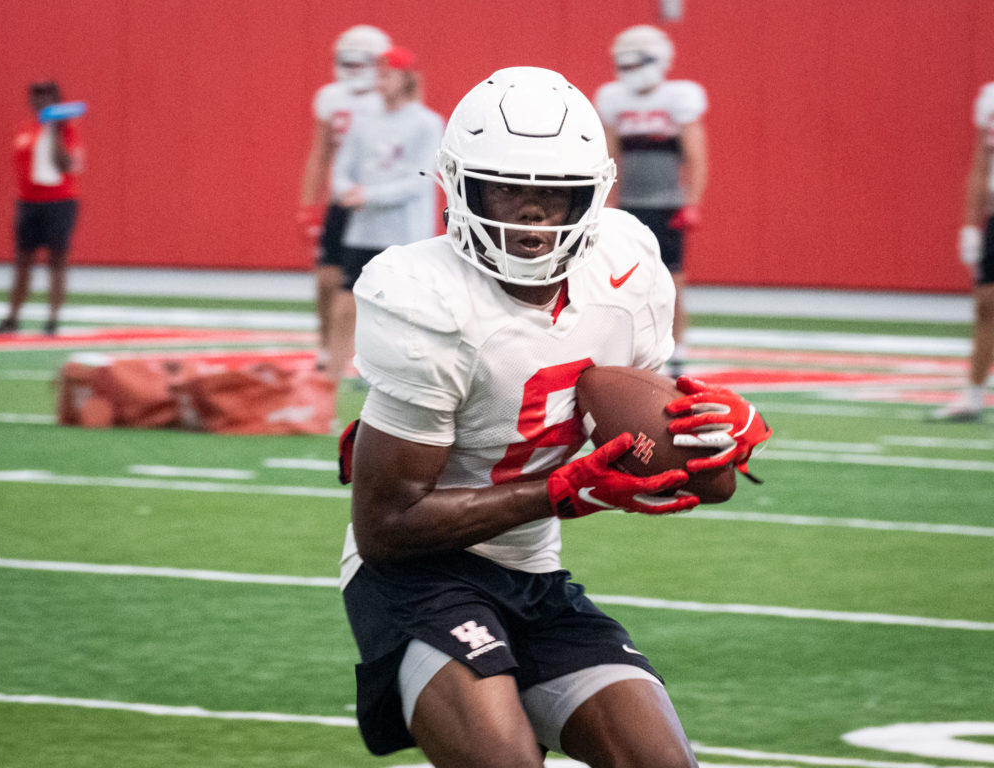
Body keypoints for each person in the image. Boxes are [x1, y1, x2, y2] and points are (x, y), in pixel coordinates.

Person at [337, 67, 770, 766]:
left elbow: (683, 474)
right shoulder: (421, 292)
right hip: (413, 574)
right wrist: (562, 491)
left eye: (552, 192)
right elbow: (385, 527)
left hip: (533, 571)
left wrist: (722, 443)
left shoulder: (625, 267)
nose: (530, 212)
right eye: (508, 186)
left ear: (590, 194)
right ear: (460, 184)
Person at [324, 46, 444, 387]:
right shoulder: (364, 123)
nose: (381, 81)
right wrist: (346, 190)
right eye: (378, 74)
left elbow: (420, 179)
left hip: (404, 234)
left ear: (405, 77)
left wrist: (369, 195)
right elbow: (342, 168)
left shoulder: (426, 122)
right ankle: (330, 382)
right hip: (363, 232)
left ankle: (406, 384)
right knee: (346, 305)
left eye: (387, 74)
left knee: (405, 314)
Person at [594, 25, 708, 378]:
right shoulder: (614, 100)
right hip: (629, 205)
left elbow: (696, 154)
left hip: (666, 205)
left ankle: (678, 352)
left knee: (672, 283)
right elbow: (608, 154)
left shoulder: (678, 99)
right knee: (622, 281)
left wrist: (692, 201)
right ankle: (629, 349)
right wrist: (605, 200)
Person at [297, 24, 391, 372]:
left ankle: (362, 352)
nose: (353, 70)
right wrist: (308, 206)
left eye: (360, 62)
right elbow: (320, 152)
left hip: (376, 203)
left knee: (366, 285)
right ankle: (326, 347)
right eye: (347, 62)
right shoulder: (330, 98)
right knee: (326, 279)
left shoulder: (389, 99)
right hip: (342, 201)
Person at [0, 80, 84, 336]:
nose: (41, 101)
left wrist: (54, 130)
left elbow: (65, 165)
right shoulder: (25, 129)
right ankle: (13, 316)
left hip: (59, 201)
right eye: (37, 96)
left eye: (47, 97)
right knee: (23, 260)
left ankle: (52, 318)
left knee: (56, 260)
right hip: (29, 202)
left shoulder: (66, 130)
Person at [932, 82, 994, 421]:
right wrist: (971, 225)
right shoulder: (989, 98)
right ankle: (973, 394)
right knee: (987, 304)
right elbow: (982, 164)